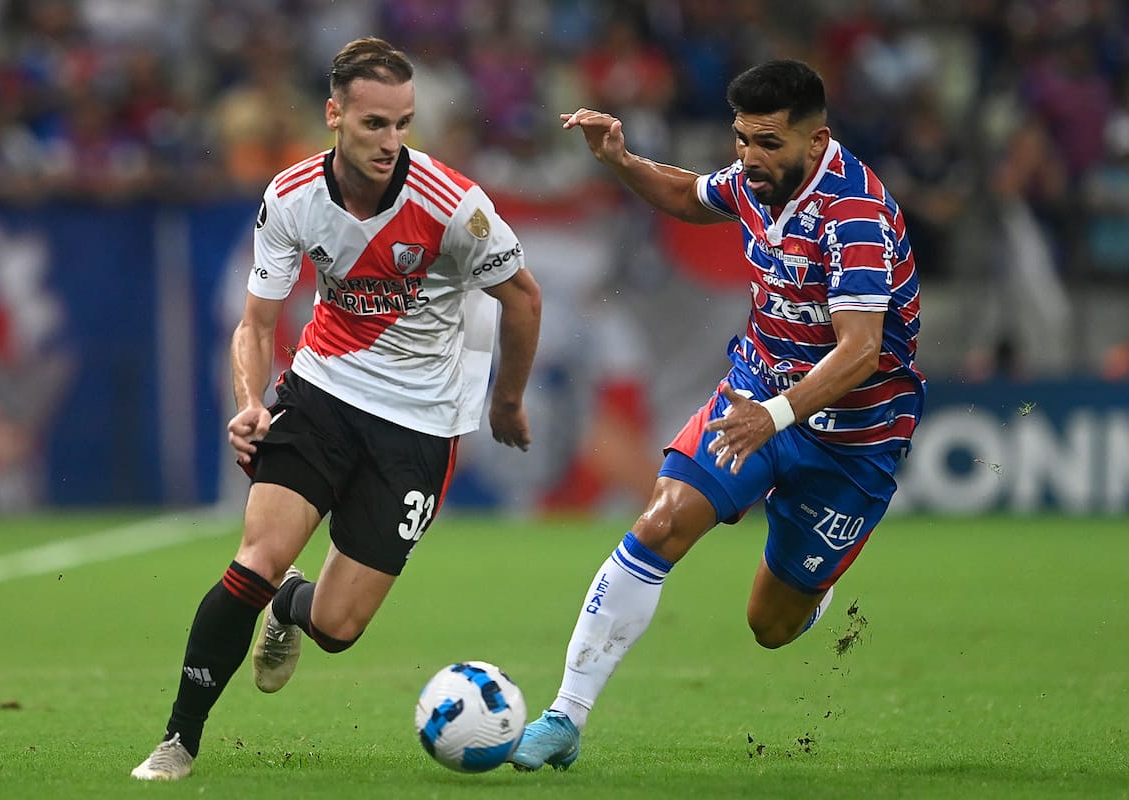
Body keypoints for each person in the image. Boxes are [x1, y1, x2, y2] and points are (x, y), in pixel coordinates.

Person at [131, 36, 541, 781]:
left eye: (402, 124)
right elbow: (256, 323)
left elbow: (522, 296)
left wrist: (505, 399)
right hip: (322, 395)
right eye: (374, 124)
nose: (391, 142)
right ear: (334, 115)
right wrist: (251, 402)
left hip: (419, 427)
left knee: (338, 627)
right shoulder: (291, 197)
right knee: (255, 558)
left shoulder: (453, 206)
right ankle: (178, 741)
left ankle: (292, 608)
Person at [509, 59, 925, 771]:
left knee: (770, 625)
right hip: (754, 391)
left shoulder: (854, 215)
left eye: (768, 143)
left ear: (817, 141)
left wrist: (778, 415)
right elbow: (686, 194)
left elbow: (859, 353)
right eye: (741, 140)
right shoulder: (757, 182)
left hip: (853, 439)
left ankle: (812, 585)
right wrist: (620, 160)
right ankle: (565, 717)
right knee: (661, 521)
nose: (750, 159)